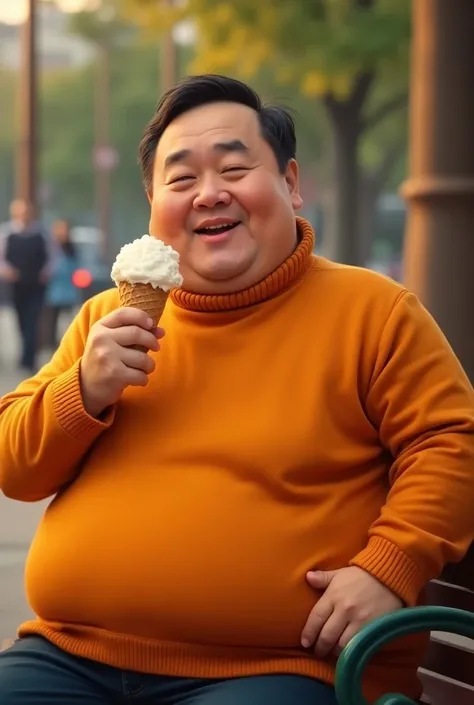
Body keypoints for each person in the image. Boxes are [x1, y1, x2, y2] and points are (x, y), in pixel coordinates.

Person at [0, 75, 473, 705]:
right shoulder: (107, 319)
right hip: (70, 654)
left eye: (233, 166)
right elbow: (15, 467)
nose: (209, 193)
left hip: (280, 669)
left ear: (291, 183)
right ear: (153, 205)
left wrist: (390, 565)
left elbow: (452, 441)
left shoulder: (372, 312)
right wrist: (82, 391)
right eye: (181, 179)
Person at [0, 199, 52, 371]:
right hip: (16, 285)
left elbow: (53, 258)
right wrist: (8, 271)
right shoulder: (7, 233)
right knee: (21, 320)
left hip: (36, 284)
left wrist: (45, 273)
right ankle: (24, 354)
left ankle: (29, 358)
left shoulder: (41, 234)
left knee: (33, 320)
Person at [43, 219, 79, 350]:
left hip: (68, 290)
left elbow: (77, 267)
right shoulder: (50, 248)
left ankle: (67, 344)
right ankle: (51, 344)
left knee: (68, 320)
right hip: (53, 290)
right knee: (52, 320)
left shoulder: (72, 248)